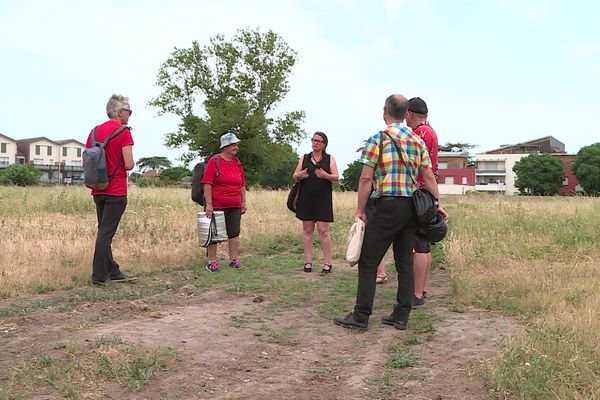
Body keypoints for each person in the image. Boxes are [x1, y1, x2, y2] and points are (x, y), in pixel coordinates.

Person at [334, 94, 447, 331]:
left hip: (386, 205)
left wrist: (360, 210)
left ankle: (361, 316)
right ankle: (401, 315)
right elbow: (428, 175)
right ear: (406, 113)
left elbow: (366, 179)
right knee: (404, 261)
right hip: (410, 208)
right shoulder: (417, 141)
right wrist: (436, 203)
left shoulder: (378, 139)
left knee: (369, 260)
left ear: (384, 110)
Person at [87, 94, 135, 286]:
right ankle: (99, 275)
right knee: (106, 234)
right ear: (120, 112)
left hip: (98, 188)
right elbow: (129, 164)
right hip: (116, 189)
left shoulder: (94, 132)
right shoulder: (123, 132)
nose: (130, 115)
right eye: (129, 111)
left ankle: (112, 270)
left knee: (103, 231)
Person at [406, 97, 439, 308]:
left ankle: (416, 294)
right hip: (427, 191)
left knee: (419, 245)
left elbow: (420, 167)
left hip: (418, 191)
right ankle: (421, 289)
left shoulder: (419, 135)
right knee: (424, 244)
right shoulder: (431, 131)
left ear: (409, 113)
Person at [292, 132, 339, 274]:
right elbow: (295, 175)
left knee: (323, 231)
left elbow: (336, 177)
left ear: (324, 144)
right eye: (313, 140)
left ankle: (327, 263)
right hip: (306, 199)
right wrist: (300, 175)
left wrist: (325, 176)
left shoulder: (329, 158)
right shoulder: (305, 158)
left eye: (318, 141)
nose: (315, 143)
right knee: (307, 230)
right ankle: (308, 262)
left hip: (323, 199)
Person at [202, 132, 247, 272]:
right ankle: (212, 261)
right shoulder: (215, 161)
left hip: (234, 203)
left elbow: (242, 185)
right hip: (217, 204)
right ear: (225, 146)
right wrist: (209, 204)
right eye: (233, 144)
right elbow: (207, 183)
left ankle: (233, 259)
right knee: (214, 234)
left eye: (236, 144)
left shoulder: (237, 163)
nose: (236, 147)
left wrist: (243, 202)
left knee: (234, 232)